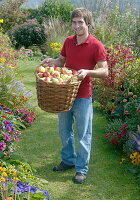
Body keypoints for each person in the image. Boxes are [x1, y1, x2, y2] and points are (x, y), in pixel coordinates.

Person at [41, 7, 108, 184]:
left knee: (84, 134)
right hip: (64, 93)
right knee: (64, 131)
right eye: (74, 22)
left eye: (80, 22)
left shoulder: (96, 45)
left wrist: (87, 72)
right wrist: (51, 62)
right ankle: (68, 160)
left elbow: (104, 71)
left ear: (88, 24)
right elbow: (62, 61)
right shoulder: (68, 41)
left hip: (83, 96)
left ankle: (81, 169)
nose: (77, 25)